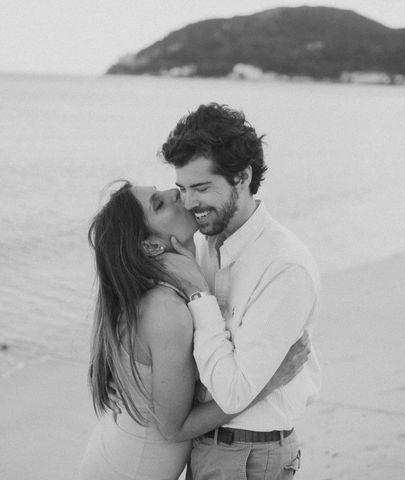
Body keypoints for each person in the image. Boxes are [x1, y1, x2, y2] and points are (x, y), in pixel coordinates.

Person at [78, 181, 311, 480]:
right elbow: (175, 428)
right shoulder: (166, 310)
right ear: (150, 246)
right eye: (158, 204)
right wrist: (268, 382)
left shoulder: (160, 292)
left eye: (163, 191)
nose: (174, 193)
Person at [159, 103, 322, 479]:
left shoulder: (284, 266)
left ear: (243, 176)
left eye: (201, 188)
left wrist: (198, 294)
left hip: (250, 453)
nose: (188, 204)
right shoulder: (202, 246)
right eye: (182, 189)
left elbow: (232, 393)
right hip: (207, 445)